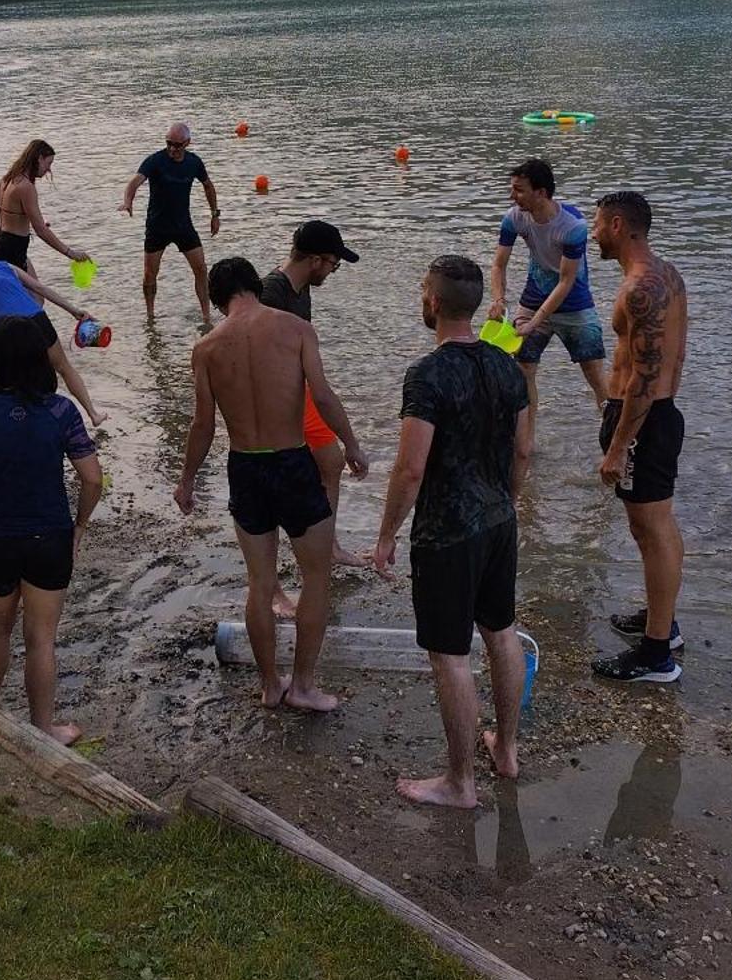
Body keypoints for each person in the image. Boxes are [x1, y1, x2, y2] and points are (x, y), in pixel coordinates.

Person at [370, 255, 532, 807]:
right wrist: (508, 500)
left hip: (447, 533)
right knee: (501, 632)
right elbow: (524, 448)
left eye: (422, 290)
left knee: (451, 655)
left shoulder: (428, 374)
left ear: (434, 303)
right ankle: (505, 752)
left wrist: (388, 533)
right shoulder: (508, 364)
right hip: (499, 520)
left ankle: (460, 783)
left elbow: (410, 467)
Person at [174, 256, 367, 713]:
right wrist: (352, 445)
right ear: (254, 287)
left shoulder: (206, 348)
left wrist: (186, 480)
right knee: (315, 577)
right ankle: (302, 685)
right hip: (293, 464)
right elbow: (321, 394)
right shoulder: (295, 328)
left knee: (260, 583)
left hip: (245, 467)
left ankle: (269, 685)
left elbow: (202, 425)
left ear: (220, 301)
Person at [0, 315, 104, 744]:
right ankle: (43, 728)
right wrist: (79, 525)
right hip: (49, 536)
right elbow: (92, 478)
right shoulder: (60, 411)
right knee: (41, 640)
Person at [591, 191, 688, 684]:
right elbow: (676, 358)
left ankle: (656, 656)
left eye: (597, 224)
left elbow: (645, 378)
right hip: (658, 415)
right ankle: (661, 624)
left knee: (652, 531)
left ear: (617, 224)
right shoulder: (666, 273)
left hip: (643, 421)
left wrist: (618, 445)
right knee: (653, 527)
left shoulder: (640, 288)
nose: (591, 233)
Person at [263, 221, 369, 582]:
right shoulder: (270, 292)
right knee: (284, 480)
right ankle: (280, 567)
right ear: (314, 260)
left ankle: (328, 547)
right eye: (333, 265)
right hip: (276, 401)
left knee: (331, 462)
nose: (333, 271)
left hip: (300, 393)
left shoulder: (301, 287)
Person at [489, 158, 608, 442]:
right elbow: (498, 265)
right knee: (524, 369)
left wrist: (536, 322)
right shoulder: (514, 217)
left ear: (541, 192)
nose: (512, 195)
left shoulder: (573, 225)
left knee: (594, 374)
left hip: (574, 304)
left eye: (518, 190)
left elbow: (566, 281)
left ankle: (618, 440)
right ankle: (526, 442)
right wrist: (499, 298)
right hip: (533, 297)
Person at [0, 235, 103, 425]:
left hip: (7, 329)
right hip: (36, 318)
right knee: (64, 368)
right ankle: (93, 414)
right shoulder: (6, 266)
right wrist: (75, 311)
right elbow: (41, 288)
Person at [120, 122, 220, 325]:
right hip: (157, 227)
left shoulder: (194, 163)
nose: (172, 149)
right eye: (169, 144)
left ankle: (206, 316)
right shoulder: (155, 161)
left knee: (201, 269)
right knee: (149, 274)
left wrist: (214, 214)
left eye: (177, 145)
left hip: (183, 226)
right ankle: (150, 316)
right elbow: (135, 182)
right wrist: (127, 202)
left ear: (187, 143)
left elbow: (208, 186)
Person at [0, 138, 89, 276]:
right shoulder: (26, 187)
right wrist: (70, 253)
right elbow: (40, 230)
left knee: (37, 296)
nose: (49, 169)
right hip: (13, 252)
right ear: (39, 158)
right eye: (49, 163)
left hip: (2, 244)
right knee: (32, 295)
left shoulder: (8, 179)